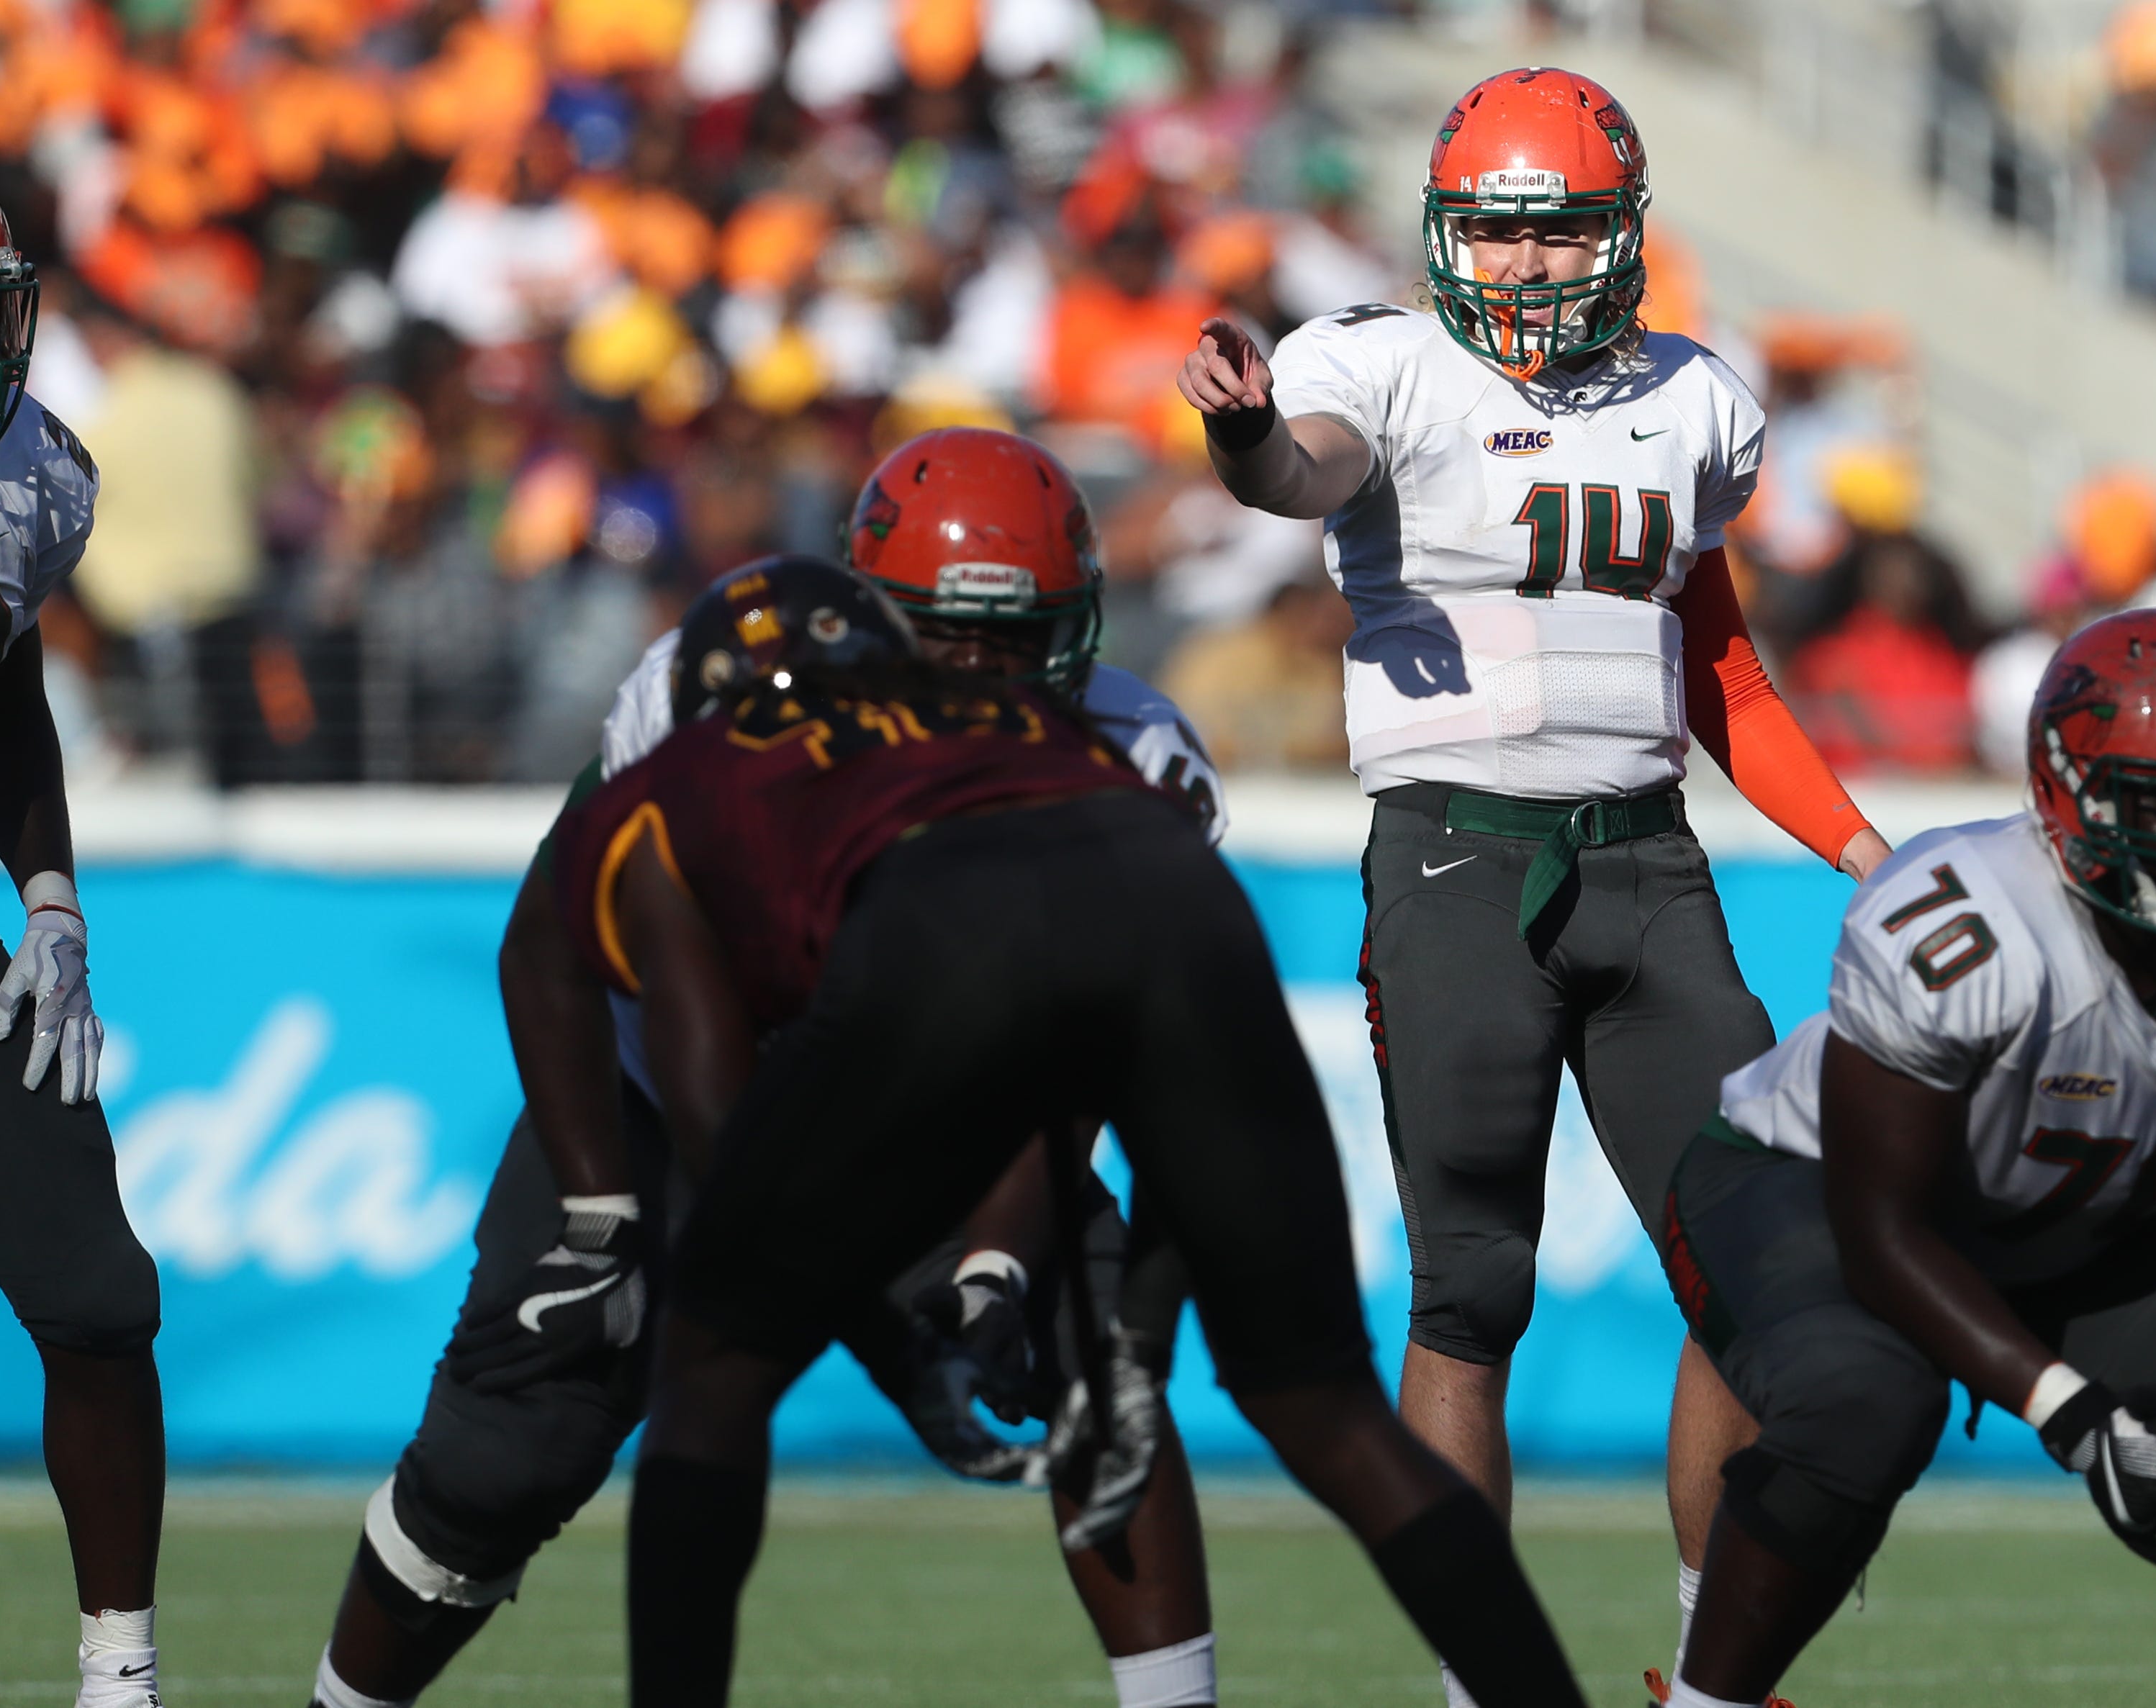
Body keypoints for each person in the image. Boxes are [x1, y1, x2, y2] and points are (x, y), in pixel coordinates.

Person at [512, 562, 1588, 1708]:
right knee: (1325, 1406)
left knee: (712, 1362)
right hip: (1179, 906)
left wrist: (882, 1332)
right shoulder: (1034, 720)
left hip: (961, 928)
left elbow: (699, 1119)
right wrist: (1121, 1316)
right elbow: (1102, 1023)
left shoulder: (671, 785)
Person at [307, 434, 1238, 1708]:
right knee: (506, 1456)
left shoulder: (1127, 762)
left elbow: (1065, 1059)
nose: (985, 672)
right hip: (672, 1087)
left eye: (1022, 638)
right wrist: (598, 1216)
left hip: (938, 1103)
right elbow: (552, 942)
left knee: (1082, 1353)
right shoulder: (737, 696)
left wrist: (994, 1267)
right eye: (948, 636)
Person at [1176, 65, 1892, 1704]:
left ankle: (1722, 1667)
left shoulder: (1694, 402)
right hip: (1456, 859)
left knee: (1755, 1261)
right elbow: (1303, 469)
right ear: (1444, 237)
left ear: (1622, 238)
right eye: (1493, 236)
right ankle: (1478, 1686)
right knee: (1471, 1284)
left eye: (1558, 234)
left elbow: (1722, 672)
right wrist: (1237, 428)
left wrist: (1866, 853)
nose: (1521, 268)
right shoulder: (1382, 364)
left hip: (1650, 861)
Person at [1651, 610, 2156, 1708]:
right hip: (1807, 1182)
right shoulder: (1967, 922)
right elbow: (1883, 1232)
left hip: (2079, 1214)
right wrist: (2073, 1411)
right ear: (2068, 793)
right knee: (1866, 1397)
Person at [0, 207, 168, 1708]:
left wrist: (50, 893)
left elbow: (7, 680)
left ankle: (120, 1669)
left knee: (102, 1301)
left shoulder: (35, 474)